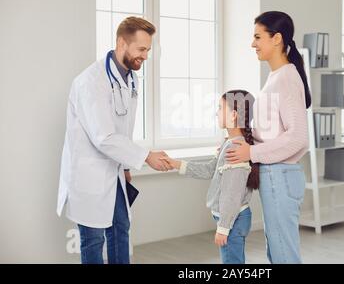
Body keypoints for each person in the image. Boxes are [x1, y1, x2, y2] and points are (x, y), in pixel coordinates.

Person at [57, 17, 171, 264]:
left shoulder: (130, 78)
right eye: (141, 49)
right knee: (93, 239)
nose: (146, 56)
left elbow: (124, 127)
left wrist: (127, 166)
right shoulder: (90, 82)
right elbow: (104, 137)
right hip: (89, 173)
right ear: (122, 43)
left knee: (121, 228)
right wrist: (145, 156)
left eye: (148, 50)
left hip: (115, 170)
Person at [226, 11, 311, 264]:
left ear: (277, 39)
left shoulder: (285, 78)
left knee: (283, 254)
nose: (253, 44)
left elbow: (298, 138)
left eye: (257, 37)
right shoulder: (277, 77)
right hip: (276, 175)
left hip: (280, 175)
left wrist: (251, 153)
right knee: (278, 251)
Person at [161, 90, 259, 264]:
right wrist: (176, 164)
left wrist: (223, 227)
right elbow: (209, 170)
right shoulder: (230, 142)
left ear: (234, 115)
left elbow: (232, 193)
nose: (216, 112)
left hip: (233, 220)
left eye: (220, 108)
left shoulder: (235, 147)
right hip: (232, 219)